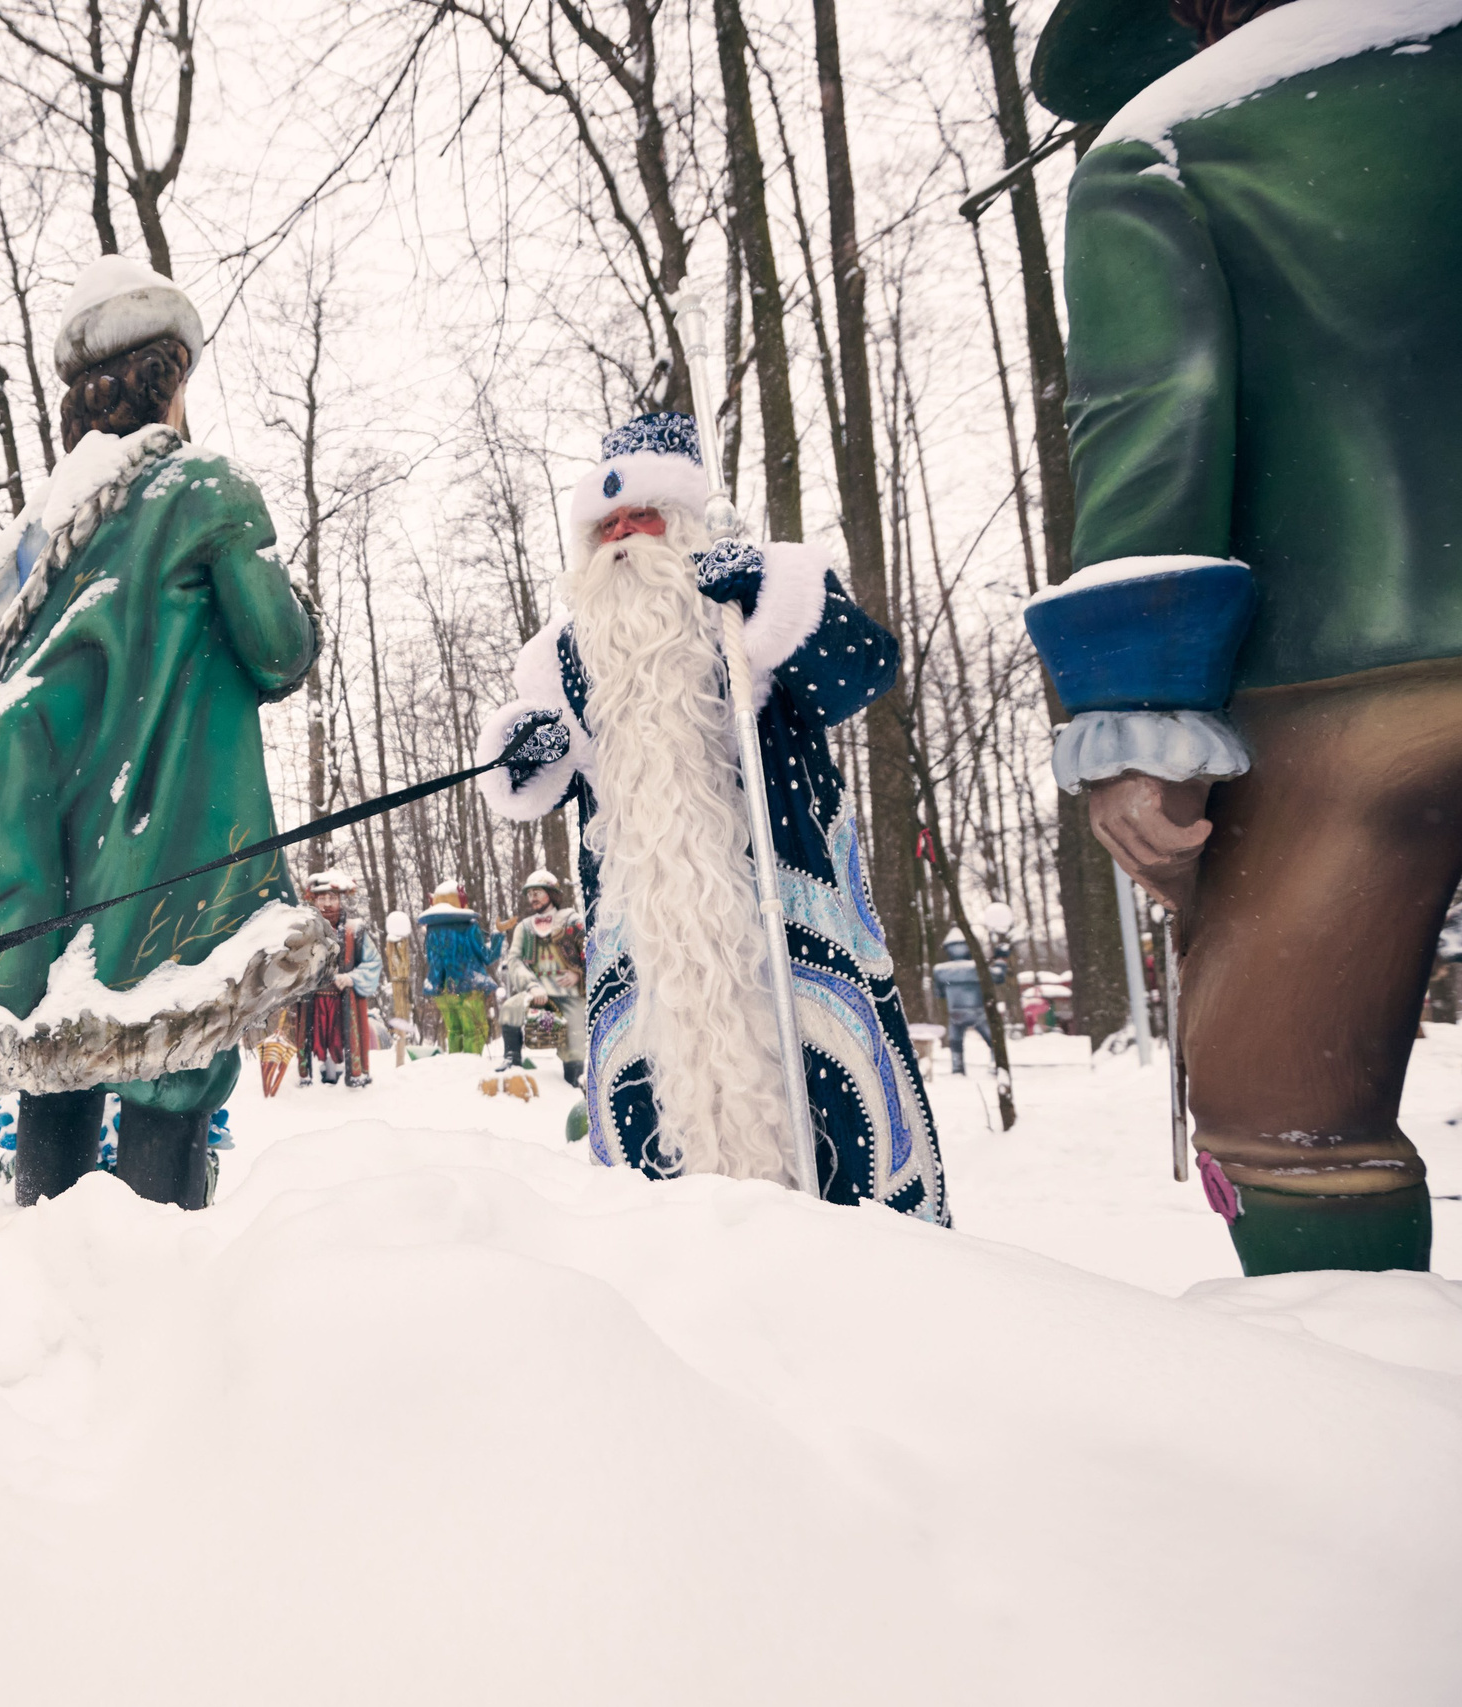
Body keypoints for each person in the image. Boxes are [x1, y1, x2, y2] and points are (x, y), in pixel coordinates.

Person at [1022, 0, 1457, 1272]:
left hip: (1354, 676)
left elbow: (1153, 422)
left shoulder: (1166, 149)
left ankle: (1341, 1406)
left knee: (1287, 1105)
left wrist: (1139, 718)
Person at [477, 412, 946, 1223]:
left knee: (843, 1132)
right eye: (606, 525)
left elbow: (865, 669)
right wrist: (525, 749)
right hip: (645, 945)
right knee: (652, 1154)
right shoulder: (563, 657)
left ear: (685, 522)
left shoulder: (757, 594)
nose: (622, 538)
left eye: (641, 517)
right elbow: (535, 783)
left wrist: (763, 596)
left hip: (789, 914)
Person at [0, 256, 319, 1211]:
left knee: (57, 1074)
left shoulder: (36, 533)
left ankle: (45, 1307)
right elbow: (278, 650)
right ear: (171, 379)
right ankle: (159, 1320)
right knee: (167, 1076)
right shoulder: (201, 490)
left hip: (47, 884)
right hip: (167, 874)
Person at [293, 869, 383, 1088]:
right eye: (321, 898)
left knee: (344, 1041)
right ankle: (314, 1081)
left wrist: (351, 978)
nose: (327, 903)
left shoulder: (355, 930)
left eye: (332, 897)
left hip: (345, 1001)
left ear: (340, 899)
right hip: (312, 1001)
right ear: (313, 900)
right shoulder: (302, 931)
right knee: (314, 1043)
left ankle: (349, 1079)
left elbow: (373, 962)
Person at [499, 869, 584, 1086]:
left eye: (538, 892)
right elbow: (515, 960)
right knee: (510, 1008)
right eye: (530, 894)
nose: (533, 897)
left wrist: (578, 974)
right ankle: (512, 1061)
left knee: (575, 1038)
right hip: (536, 992)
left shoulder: (572, 922)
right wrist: (531, 986)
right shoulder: (524, 928)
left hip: (569, 994)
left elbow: (590, 953)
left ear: (551, 893)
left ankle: (574, 1081)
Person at [417, 882, 499, 1057]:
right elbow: (487, 956)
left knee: (454, 1030)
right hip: (467, 986)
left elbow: (431, 958)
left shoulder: (432, 931)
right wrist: (498, 935)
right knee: (476, 1030)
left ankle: (456, 1067)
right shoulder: (469, 928)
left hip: (441, 988)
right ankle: (471, 1069)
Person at [930, 931, 990, 1077]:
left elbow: (939, 993)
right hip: (977, 1011)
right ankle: (995, 1063)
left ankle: (957, 1068)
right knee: (991, 1041)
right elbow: (997, 978)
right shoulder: (978, 968)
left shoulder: (940, 971)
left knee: (956, 1044)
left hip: (955, 1012)